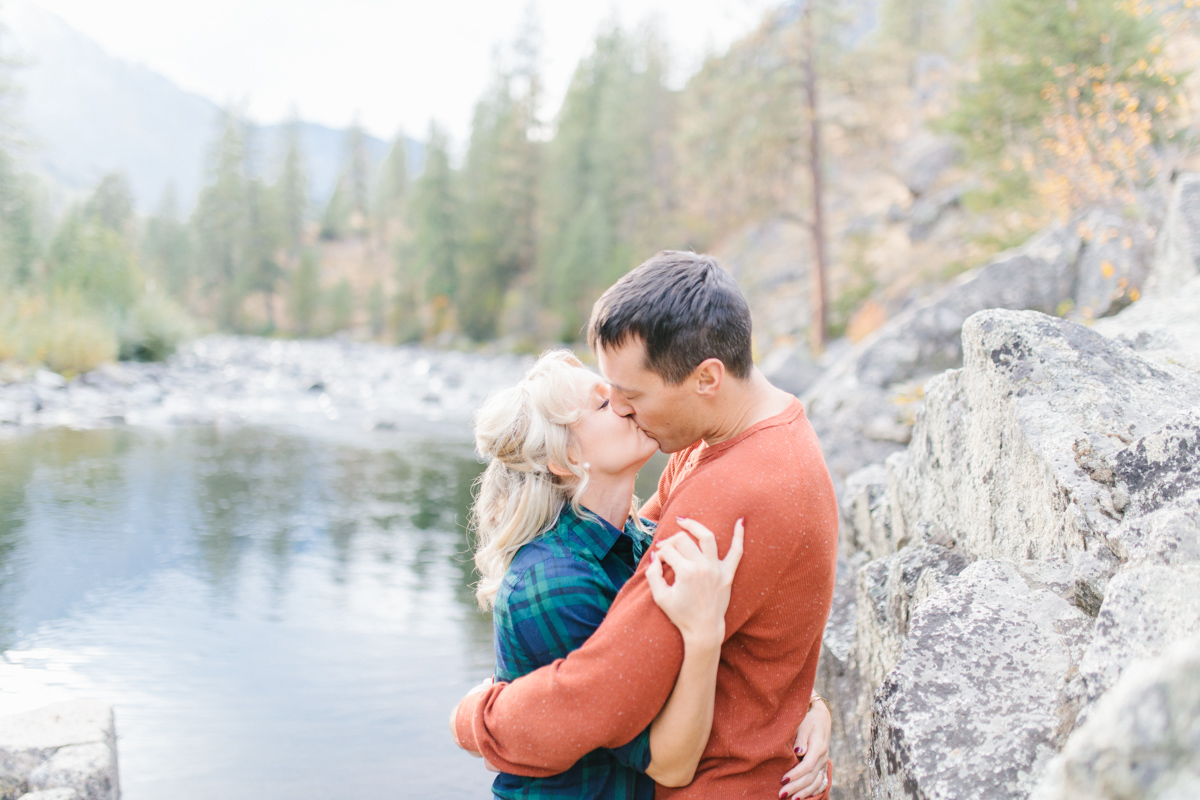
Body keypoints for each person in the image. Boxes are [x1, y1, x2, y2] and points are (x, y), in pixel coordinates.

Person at [454, 251, 839, 800]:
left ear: (707, 378)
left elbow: (599, 691)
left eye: (631, 396)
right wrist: (802, 699)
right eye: (608, 396)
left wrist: (476, 719)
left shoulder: (733, 491)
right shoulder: (726, 442)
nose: (624, 409)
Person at [462, 349, 749, 798]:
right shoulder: (553, 581)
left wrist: (806, 707)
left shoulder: (639, 539)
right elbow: (668, 762)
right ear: (565, 458)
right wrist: (704, 635)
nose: (626, 402)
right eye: (603, 402)